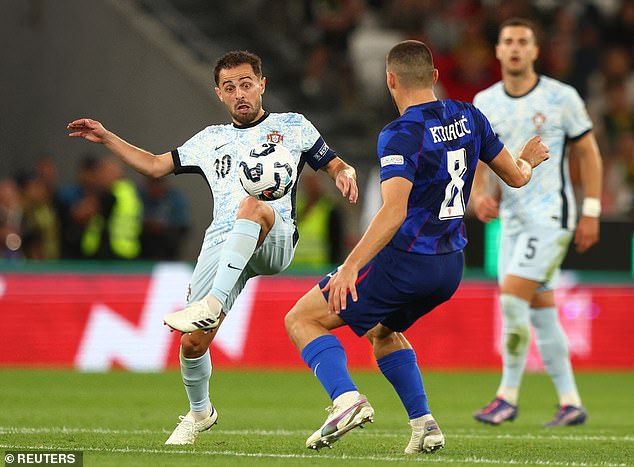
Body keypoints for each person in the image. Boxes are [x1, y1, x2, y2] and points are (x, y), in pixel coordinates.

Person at [67, 50, 358, 445]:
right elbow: (155, 165)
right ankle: (200, 412)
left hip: (273, 235)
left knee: (253, 206)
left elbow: (334, 163)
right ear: (218, 94)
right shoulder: (210, 141)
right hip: (223, 243)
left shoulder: (293, 127)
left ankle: (212, 304)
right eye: (229, 87)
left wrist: (344, 171)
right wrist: (106, 136)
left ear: (262, 85)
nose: (239, 93)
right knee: (192, 342)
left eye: (246, 84)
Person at [284, 39, 550, 454]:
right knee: (383, 331)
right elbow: (516, 178)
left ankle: (345, 399)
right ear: (436, 78)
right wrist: (529, 159)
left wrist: (351, 265)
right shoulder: (469, 115)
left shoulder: (400, 133)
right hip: (450, 266)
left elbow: (393, 212)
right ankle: (424, 424)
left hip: (406, 261)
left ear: (390, 80)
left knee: (301, 319)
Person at [471, 18, 603, 427]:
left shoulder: (561, 97)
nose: (514, 48)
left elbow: (589, 155)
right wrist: (479, 195)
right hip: (511, 220)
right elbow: (479, 156)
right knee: (542, 310)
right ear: (497, 51)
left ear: (534, 51)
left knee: (512, 297)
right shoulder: (484, 100)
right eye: (507, 41)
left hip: (550, 217)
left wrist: (591, 211)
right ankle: (570, 402)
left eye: (522, 42)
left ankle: (506, 396)